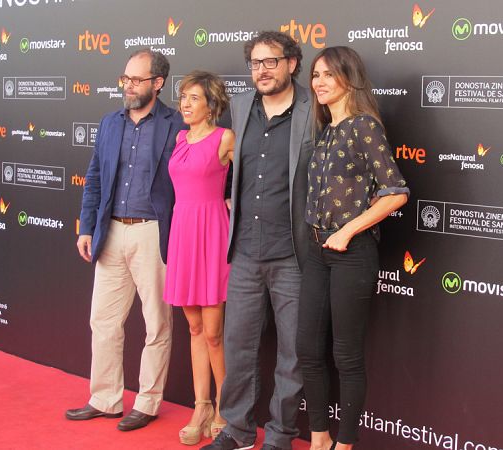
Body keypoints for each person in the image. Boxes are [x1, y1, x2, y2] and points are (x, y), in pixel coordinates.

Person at [202, 31, 315, 450]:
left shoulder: (313, 108)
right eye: (255, 63)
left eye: (271, 61)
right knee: (239, 346)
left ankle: (281, 435)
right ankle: (238, 429)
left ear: (292, 63)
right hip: (246, 250)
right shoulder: (241, 106)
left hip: (293, 253)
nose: (262, 70)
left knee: (292, 352)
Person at [66, 49, 184, 432]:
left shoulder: (176, 124)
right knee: (103, 320)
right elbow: (95, 178)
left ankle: (148, 402)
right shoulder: (109, 123)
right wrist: (87, 227)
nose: (128, 86)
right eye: (125, 78)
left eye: (136, 79)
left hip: (153, 232)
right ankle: (105, 398)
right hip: (111, 231)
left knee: (157, 324)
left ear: (158, 83)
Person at [296, 46, 409, 450]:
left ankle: (344, 444)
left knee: (346, 355)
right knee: (308, 350)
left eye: (329, 74)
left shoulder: (364, 126)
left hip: (352, 253)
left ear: (350, 78)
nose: (319, 82)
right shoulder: (326, 130)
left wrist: (347, 231)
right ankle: (319, 438)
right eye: (316, 75)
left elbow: (396, 192)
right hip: (317, 252)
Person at [162, 71, 234, 445]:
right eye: (183, 97)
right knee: (193, 329)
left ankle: (226, 408)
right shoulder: (179, 138)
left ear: (211, 104)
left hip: (212, 234)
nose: (185, 104)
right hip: (183, 234)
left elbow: (253, 178)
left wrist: (234, 204)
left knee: (214, 333)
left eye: (194, 98)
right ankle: (201, 406)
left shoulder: (225, 138)